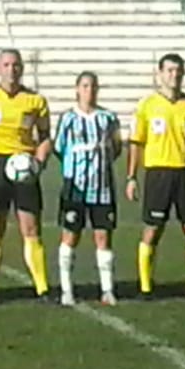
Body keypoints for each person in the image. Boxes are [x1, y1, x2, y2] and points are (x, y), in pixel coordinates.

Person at [126, 53, 185, 300]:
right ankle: (146, 287)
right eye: (169, 70)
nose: (174, 75)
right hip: (158, 174)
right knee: (152, 230)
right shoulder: (147, 106)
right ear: (159, 74)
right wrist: (131, 177)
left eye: (178, 71)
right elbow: (136, 143)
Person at [0, 48, 53, 302]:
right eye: (6, 65)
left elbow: (45, 138)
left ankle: (42, 288)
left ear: (22, 68)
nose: (11, 70)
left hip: (25, 167)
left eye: (16, 65)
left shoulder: (35, 101)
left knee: (31, 227)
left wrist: (39, 160)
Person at [52, 72, 122, 307]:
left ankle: (108, 290)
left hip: (102, 188)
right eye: (84, 86)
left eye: (93, 86)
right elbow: (59, 147)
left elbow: (117, 146)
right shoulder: (68, 118)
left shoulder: (108, 118)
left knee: (103, 236)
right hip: (75, 189)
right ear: (77, 89)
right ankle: (66, 290)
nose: (89, 90)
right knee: (70, 235)